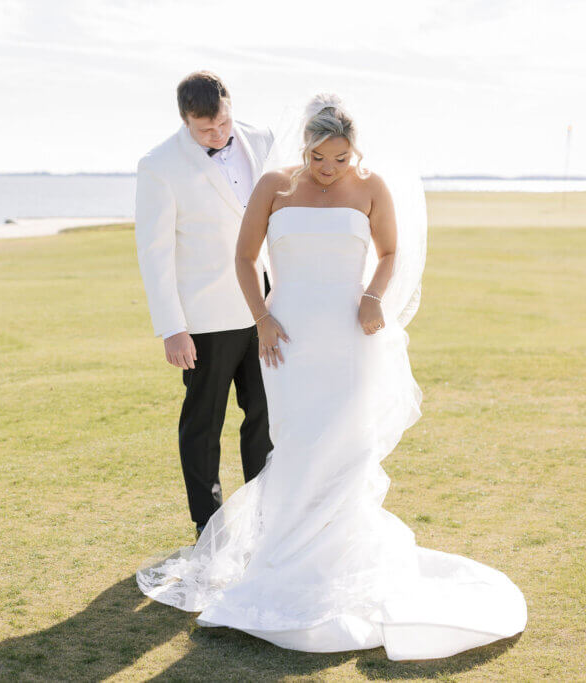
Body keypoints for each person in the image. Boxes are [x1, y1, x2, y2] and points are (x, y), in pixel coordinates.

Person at [136, 94, 527, 661]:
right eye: (320, 157)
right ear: (305, 147)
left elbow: (391, 252)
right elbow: (244, 260)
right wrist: (263, 320)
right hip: (288, 339)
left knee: (345, 446)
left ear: (354, 151)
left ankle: (339, 559)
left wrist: (373, 298)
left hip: (349, 340)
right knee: (295, 444)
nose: (328, 169)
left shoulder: (372, 188)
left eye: (340, 159)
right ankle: (284, 558)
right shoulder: (274, 185)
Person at [134, 71, 275, 541]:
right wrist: (172, 328)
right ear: (185, 121)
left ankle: (264, 514)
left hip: (266, 308)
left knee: (265, 416)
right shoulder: (158, 165)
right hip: (205, 321)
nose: (219, 135)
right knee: (203, 426)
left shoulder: (262, 138)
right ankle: (208, 527)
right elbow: (155, 253)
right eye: (206, 131)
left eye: (223, 125)